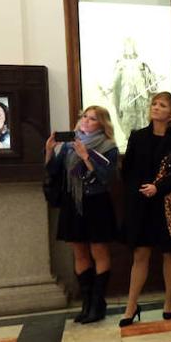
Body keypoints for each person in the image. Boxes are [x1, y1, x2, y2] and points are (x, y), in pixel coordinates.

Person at [120, 92, 171, 326]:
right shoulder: (137, 136)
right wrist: (138, 191)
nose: (156, 108)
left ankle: (169, 301)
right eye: (154, 104)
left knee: (169, 253)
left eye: (162, 105)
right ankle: (131, 307)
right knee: (140, 254)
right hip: (141, 202)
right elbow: (128, 169)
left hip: (167, 203)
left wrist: (158, 187)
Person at [46, 106, 119, 325]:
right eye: (84, 117)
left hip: (96, 202)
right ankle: (86, 302)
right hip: (73, 204)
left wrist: (86, 156)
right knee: (79, 253)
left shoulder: (108, 146)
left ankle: (98, 303)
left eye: (93, 119)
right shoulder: (69, 145)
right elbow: (53, 172)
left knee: (99, 251)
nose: (86, 121)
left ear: (102, 124)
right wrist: (50, 151)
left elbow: (107, 177)